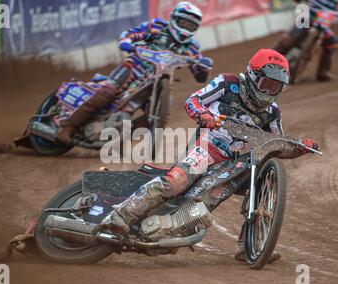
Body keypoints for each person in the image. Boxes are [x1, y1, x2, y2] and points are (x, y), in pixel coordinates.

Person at [99, 48, 319, 262]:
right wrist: (203, 114)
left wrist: (300, 147)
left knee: (258, 184)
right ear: (253, 76)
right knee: (175, 183)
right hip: (207, 147)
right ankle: (119, 216)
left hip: (236, 162)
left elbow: (275, 144)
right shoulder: (228, 83)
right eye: (267, 84)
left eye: (276, 87)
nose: (270, 91)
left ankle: (248, 246)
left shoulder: (273, 112)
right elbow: (192, 101)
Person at [56, 2, 212, 145]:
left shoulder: (192, 48)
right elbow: (132, 33)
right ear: (174, 19)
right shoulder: (157, 27)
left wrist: (204, 67)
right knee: (108, 92)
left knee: (155, 114)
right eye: (184, 22)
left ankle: (119, 137)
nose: (186, 28)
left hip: (155, 83)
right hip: (133, 68)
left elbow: (200, 74)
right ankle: (67, 126)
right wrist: (127, 42)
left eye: (191, 25)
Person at [273, 0, 338, 81]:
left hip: (324, 22)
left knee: (332, 42)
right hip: (309, 16)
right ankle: (269, 59)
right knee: (290, 39)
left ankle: (323, 72)